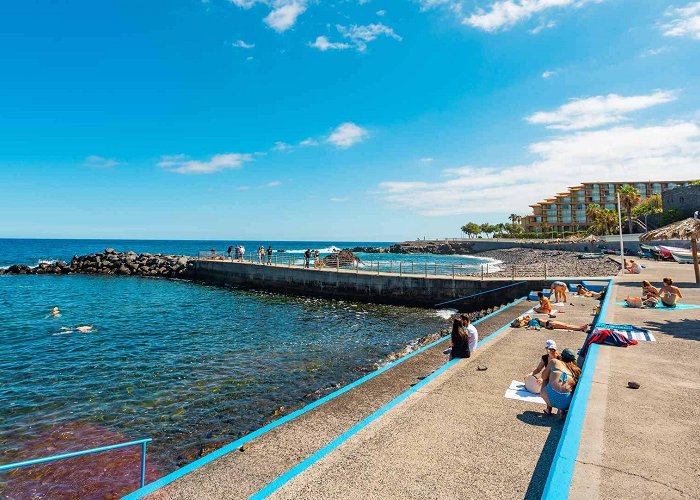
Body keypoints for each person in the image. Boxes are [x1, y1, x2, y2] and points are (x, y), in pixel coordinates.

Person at [540, 348, 581, 416]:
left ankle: (548, 409)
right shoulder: (576, 371)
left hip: (548, 397)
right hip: (566, 403)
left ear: (561, 356)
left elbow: (543, 377)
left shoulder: (554, 362)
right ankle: (562, 410)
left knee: (546, 378)